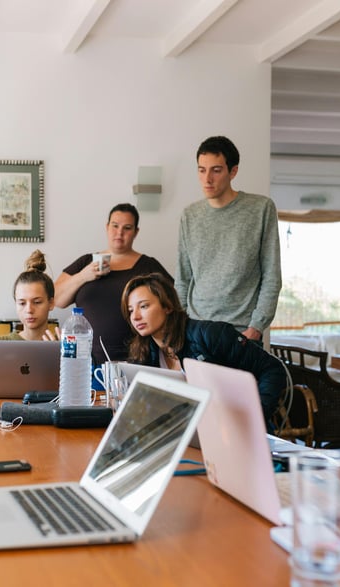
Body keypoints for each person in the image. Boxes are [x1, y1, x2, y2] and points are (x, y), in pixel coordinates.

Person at [121, 273, 287, 430]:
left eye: (143, 306)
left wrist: (253, 417)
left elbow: (273, 369)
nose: (135, 316)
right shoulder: (144, 352)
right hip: (190, 433)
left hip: (235, 431)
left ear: (167, 306)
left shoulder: (211, 335)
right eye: (130, 310)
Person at [175, 136, 281, 342]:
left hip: (242, 333)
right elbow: (183, 279)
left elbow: (272, 275)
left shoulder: (260, 209)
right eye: (201, 170)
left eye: (216, 170)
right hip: (196, 330)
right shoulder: (190, 215)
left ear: (233, 171)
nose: (207, 179)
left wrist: (256, 327)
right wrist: (180, 326)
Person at [54, 203, 173, 366]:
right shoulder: (86, 262)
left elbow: (173, 303)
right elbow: (56, 299)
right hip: (86, 361)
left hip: (138, 359)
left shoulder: (148, 265)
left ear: (136, 232)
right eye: (115, 226)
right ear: (107, 227)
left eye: (127, 228)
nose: (119, 233)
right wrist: (83, 276)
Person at [0, 250, 57, 341]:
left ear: (51, 303)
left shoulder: (64, 346)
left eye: (37, 302)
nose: (29, 310)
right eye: (22, 303)